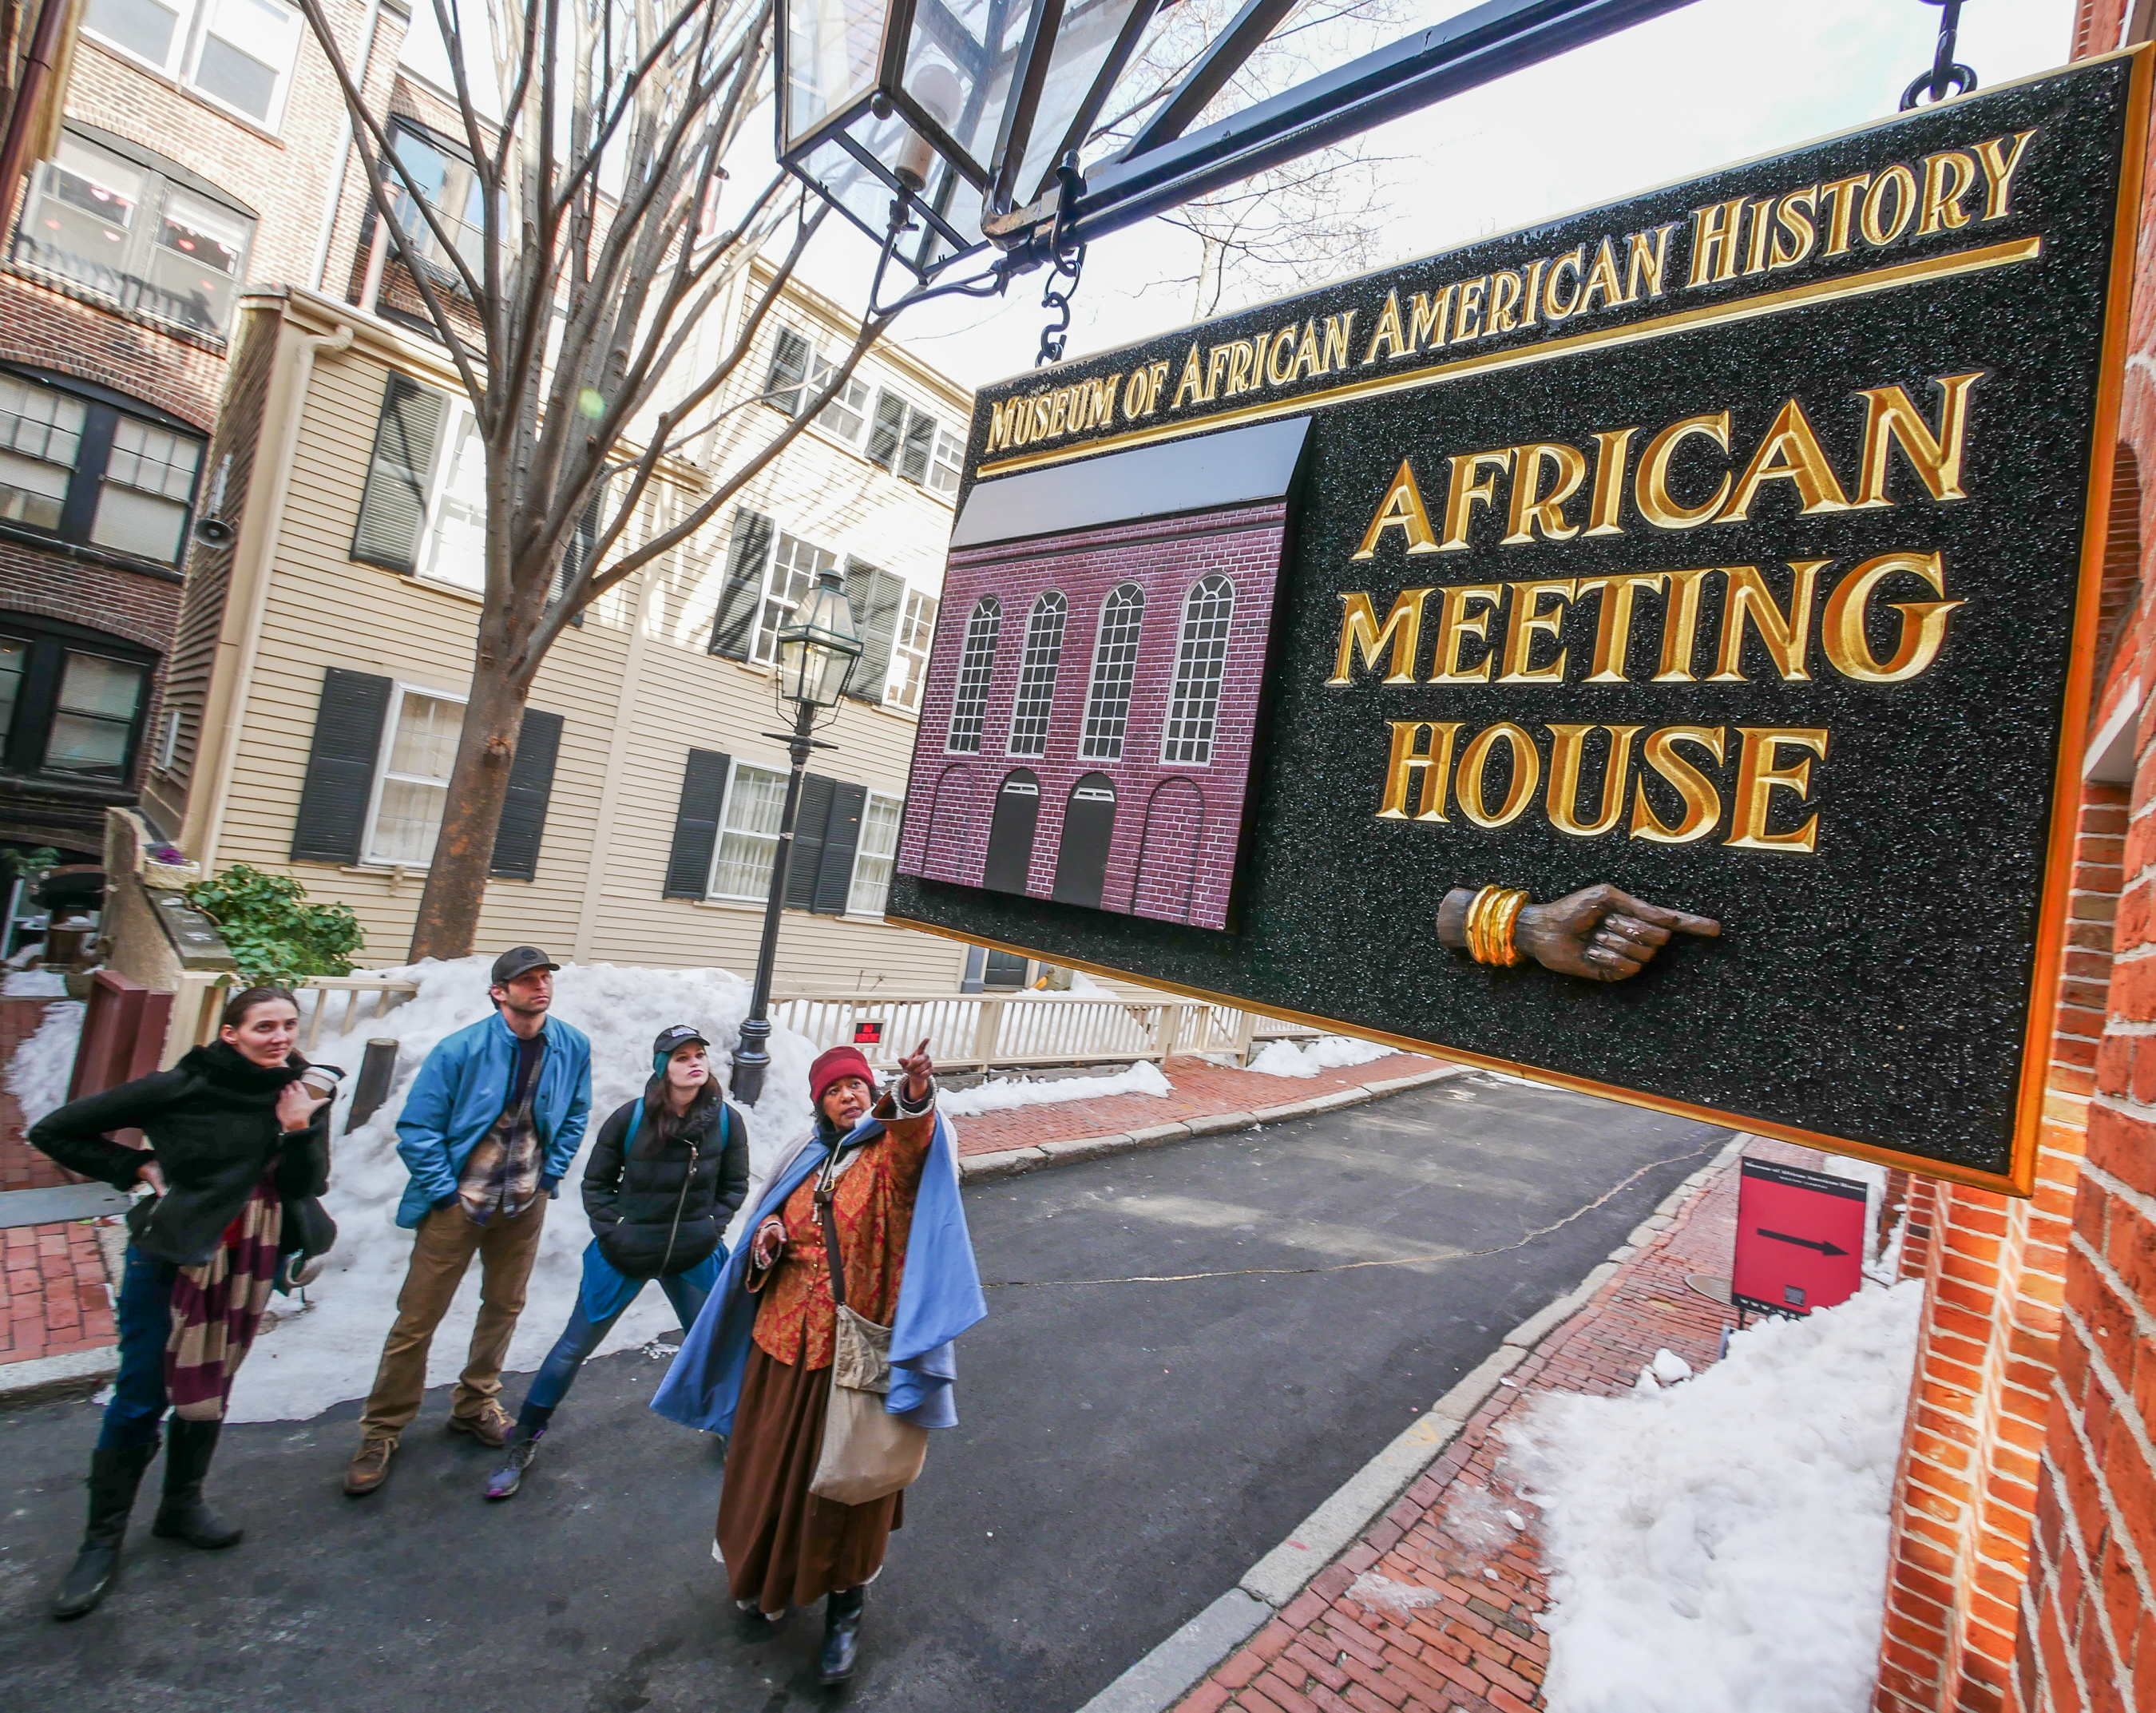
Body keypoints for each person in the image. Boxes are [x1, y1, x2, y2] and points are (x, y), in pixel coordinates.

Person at [652, 1040, 985, 1687]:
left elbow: (917, 1143)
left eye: (856, 1086)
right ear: (819, 1104)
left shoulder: (887, 1156)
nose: (847, 1097)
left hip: (849, 1355)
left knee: (849, 1485)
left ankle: (845, 1610)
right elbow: (765, 1226)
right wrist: (769, 1237)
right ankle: (766, 1578)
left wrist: (914, 1094)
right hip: (781, 1348)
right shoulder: (801, 1160)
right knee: (769, 1474)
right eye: (834, 1090)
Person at [28, 985, 332, 1620]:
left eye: (287, 1025)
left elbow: (308, 1184)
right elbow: (54, 1130)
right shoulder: (180, 1086)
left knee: (211, 1382)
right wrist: (137, 1165)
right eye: (262, 1027)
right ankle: (101, 1539)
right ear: (230, 1033)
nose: (279, 1037)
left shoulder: (300, 1092)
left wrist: (299, 1130)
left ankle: (180, 1504)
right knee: (142, 1392)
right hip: (175, 1256)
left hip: (252, 1258)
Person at [343, 946, 591, 1496]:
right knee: (418, 1317)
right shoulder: (461, 1049)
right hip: (461, 1201)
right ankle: (382, 1428)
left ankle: (476, 1401)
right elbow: (418, 1127)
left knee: (504, 1306)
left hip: (524, 1201)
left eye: (545, 977)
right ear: (499, 991)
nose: (540, 987)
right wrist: (443, 1193)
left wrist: (549, 1176)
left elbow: (575, 1111)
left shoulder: (571, 1045)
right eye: (526, 980)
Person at [483, 1024, 750, 1499]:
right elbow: (596, 1184)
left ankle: (727, 1425)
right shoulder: (629, 1119)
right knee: (571, 1349)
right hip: (624, 1253)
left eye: (698, 1055)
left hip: (693, 1252)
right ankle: (523, 1439)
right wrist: (615, 1228)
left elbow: (734, 1184)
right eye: (680, 1057)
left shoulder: (726, 1122)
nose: (693, 1063)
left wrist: (713, 1225)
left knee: (713, 1343)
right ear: (661, 1068)